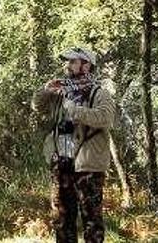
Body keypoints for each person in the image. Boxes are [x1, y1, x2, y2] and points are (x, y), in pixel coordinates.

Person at [31, 48, 117, 243]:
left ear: (86, 65)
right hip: (61, 161)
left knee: (91, 220)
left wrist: (75, 110)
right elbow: (37, 106)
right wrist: (46, 90)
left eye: (73, 61)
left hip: (88, 164)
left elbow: (105, 118)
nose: (67, 65)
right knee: (62, 219)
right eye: (67, 62)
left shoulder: (99, 93)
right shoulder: (61, 91)